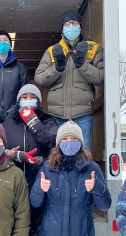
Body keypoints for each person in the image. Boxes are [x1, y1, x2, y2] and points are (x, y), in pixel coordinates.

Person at [2, 83, 58, 236]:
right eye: (23, 96)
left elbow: (54, 144)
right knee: (16, 228)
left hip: (39, 181)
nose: (27, 100)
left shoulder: (47, 121)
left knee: (34, 229)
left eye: (31, 97)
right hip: (14, 182)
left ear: (38, 101)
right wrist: (12, 155)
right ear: (18, 101)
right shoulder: (9, 122)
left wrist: (34, 123)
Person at [34, 9, 104, 150]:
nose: (71, 26)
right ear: (62, 28)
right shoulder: (52, 51)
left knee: (83, 154)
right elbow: (39, 79)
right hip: (56, 116)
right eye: (67, 24)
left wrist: (82, 65)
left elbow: (100, 78)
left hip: (82, 115)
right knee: (56, 155)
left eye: (74, 23)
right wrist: (57, 68)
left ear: (80, 26)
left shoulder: (94, 49)